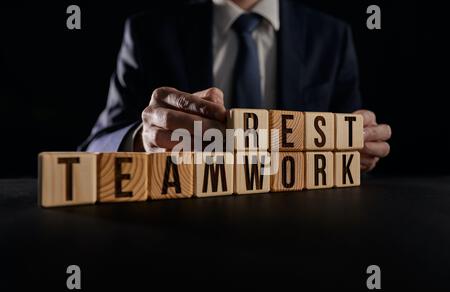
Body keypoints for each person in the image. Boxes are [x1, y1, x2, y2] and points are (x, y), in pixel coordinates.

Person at [81, 0, 391, 172]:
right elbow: (94, 147)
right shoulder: (148, 31)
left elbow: (354, 142)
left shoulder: (331, 37)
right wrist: (142, 139)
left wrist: (359, 144)